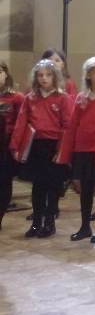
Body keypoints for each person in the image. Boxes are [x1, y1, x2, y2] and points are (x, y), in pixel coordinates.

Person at [11, 60, 72, 238]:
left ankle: (49, 223)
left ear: (55, 77)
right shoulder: (30, 98)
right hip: (35, 146)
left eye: (48, 75)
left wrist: (61, 151)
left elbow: (67, 126)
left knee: (52, 187)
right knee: (37, 186)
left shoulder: (62, 98)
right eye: (40, 75)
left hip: (54, 147)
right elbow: (21, 123)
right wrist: (15, 146)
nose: (44, 78)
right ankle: (36, 222)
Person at [61, 57, 95, 242]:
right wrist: (68, 153)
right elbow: (73, 126)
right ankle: (85, 227)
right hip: (83, 150)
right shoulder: (82, 98)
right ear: (88, 75)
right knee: (85, 190)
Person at [0, 60, 24, 229]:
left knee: (4, 182)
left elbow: (21, 124)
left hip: (6, 146)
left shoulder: (16, 97)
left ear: (6, 74)